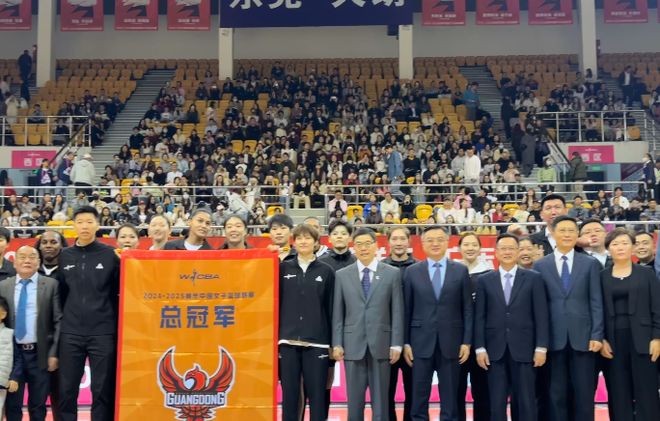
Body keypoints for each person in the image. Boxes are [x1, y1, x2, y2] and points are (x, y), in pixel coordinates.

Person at [532, 215, 603, 421]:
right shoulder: (541, 265)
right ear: (553, 234)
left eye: (571, 230)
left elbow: (596, 301)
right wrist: (541, 343)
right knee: (556, 394)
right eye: (562, 230)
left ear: (577, 234)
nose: (567, 234)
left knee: (584, 394)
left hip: (584, 338)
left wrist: (597, 335)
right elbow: (539, 307)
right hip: (553, 340)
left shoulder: (589, 264)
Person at [332, 227, 404, 421]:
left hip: (381, 344)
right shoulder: (342, 275)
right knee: (354, 404)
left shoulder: (392, 273)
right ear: (353, 247)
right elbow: (338, 312)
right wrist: (337, 343)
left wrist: (396, 343)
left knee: (381, 404)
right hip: (352, 345)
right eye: (359, 244)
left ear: (376, 246)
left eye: (367, 244)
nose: (363, 248)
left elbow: (397, 311)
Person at [475, 234, 548, 421]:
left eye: (511, 248)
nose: (507, 252)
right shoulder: (485, 280)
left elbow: (541, 314)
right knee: (496, 402)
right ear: (496, 252)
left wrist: (541, 346)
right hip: (494, 350)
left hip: (525, 348)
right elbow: (480, 316)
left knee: (526, 401)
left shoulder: (533, 278)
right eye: (503, 248)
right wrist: (480, 347)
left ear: (518, 251)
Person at [403, 226, 472, 421]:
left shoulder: (460, 270)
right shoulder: (412, 272)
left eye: (440, 239)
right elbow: (406, 310)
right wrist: (406, 342)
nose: (435, 243)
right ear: (422, 244)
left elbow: (467, 309)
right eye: (430, 240)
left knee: (450, 399)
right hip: (419, 343)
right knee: (419, 397)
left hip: (451, 343)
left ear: (447, 242)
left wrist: (466, 342)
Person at [58, 206, 120, 421]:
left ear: (97, 225)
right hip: (71, 332)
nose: (84, 226)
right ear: (73, 226)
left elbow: (116, 291)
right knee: (66, 389)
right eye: (80, 222)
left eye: (89, 221)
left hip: (102, 332)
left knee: (102, 389)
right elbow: (62, 292)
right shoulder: (65, 256)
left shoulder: (110, 255)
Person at [600, 228, 660, 421]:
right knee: (618, 390)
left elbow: (657, 307)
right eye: (615, 244)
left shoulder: (647, 274)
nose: (620, 247)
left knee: (647, 390)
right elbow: (597, 309)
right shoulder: (601, 276)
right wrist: (601, 339)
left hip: (644, 340)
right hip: (612, 341)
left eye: (625, 243)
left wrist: (657, 337)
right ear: (608, 248)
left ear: (633, 247)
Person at [278, 224, 335, 421]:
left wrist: (333, 344)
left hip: (317, 344)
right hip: (287, 342)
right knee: (290, 396)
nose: (303, 241)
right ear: (293, 242)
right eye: (299, 238)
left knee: (318, 396)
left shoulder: (327, 271)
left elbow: (331, 309)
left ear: (316, 243)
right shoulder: (282, 268)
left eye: (308, 238)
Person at [0, 245, 61, 421]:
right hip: (12, 356)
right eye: (22, 257)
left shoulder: (51, 285)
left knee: (38, 405)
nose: (27, 260)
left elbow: (58, 320)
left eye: (32, 257)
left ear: (39, 262)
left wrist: (54, 353)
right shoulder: (3, 286)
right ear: (14, 262)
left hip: (40, 354)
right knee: (12, 405)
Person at [382, 227, 417, 421]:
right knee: (386, 391)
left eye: (402, 238)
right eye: (394, 239)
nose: (398, 242)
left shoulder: (419, 268)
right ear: (388, 242)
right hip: (387, 340)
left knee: (415, 391)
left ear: (409, 241)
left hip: (415, 340)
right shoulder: (379, 268)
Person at [456, 233, 491, 421]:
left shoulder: (489, 273)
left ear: (480, 248)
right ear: (459, 248)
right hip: (457, 342)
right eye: (466, 244)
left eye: (474, 244)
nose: (470, 248)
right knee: (456, 391)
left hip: (482, 343)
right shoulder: (453, 273)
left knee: (482, 391)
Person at [35, 230, 67, 421]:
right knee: (36, 398)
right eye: (44, 242)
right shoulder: (31, 272)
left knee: (61, 397)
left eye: (53, 242)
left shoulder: (68, 271)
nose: (48, 245)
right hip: (36, 341)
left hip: (64, 341)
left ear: (62, 245)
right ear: (39, 246)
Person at [0, 295, 21, 417]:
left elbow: (18, 359)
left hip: (2, 383)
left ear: (3, 314)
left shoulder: (10, 334)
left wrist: (14, 377)